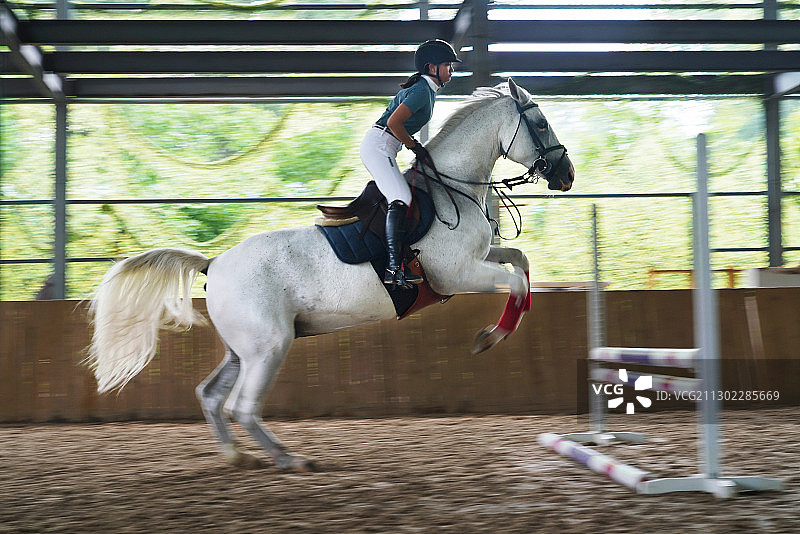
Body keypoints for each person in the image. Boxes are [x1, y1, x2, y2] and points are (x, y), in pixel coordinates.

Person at [360, 39, 461, 288]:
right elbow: (394, 124)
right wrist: (414, 146)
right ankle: (394, 268)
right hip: (379, 145)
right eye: (448, 65)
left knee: (403, 196)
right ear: (431, 67)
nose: (452, 70)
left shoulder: (425, 90)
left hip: (383, 146)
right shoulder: (421, 91)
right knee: (400, 198)